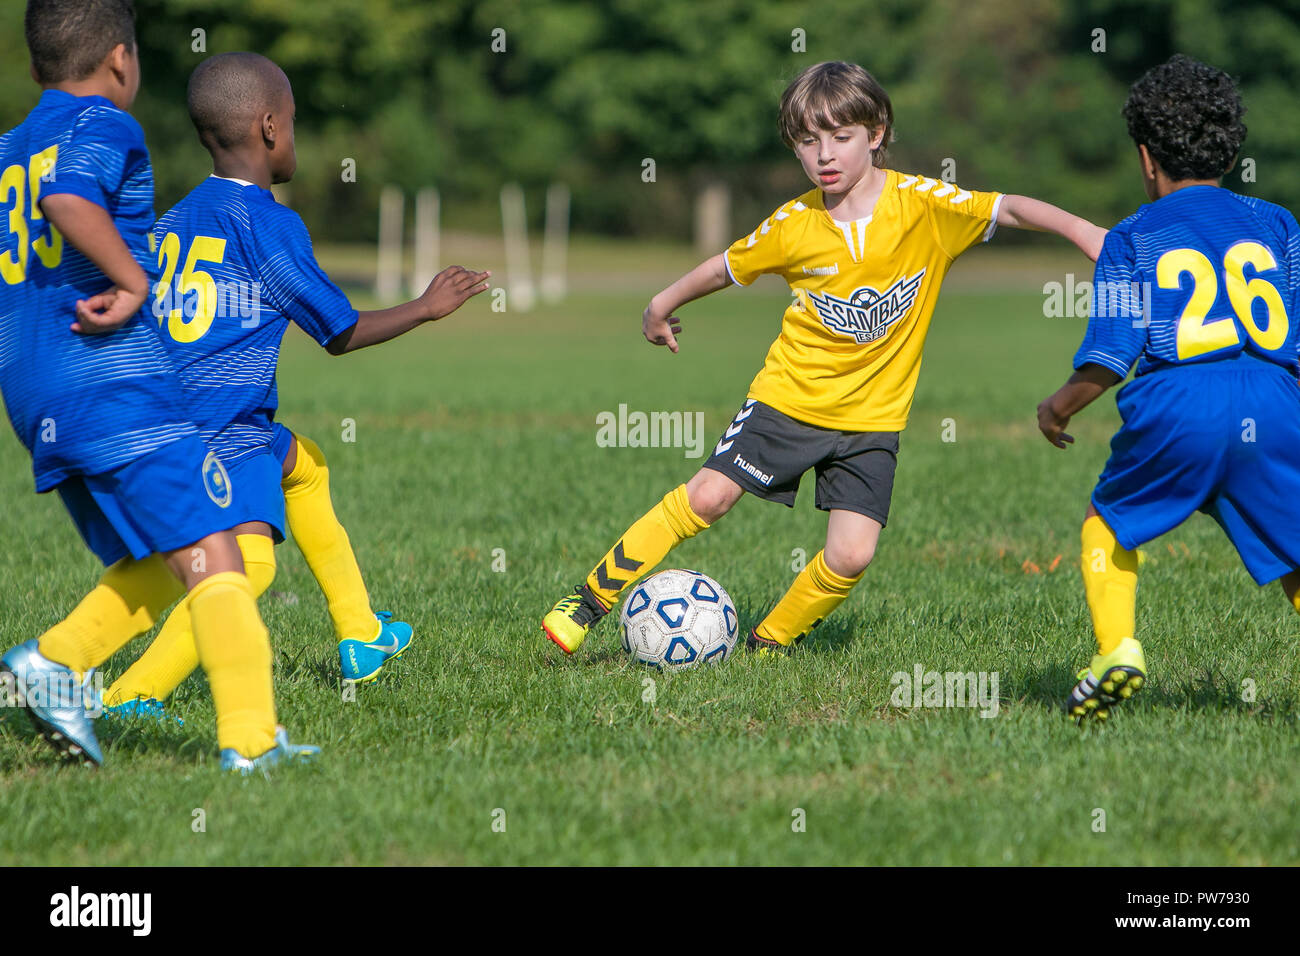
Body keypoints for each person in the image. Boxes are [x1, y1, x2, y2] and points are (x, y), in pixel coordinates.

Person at [543, 60, 1106, 655]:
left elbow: (1010, 208)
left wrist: (1086, 231)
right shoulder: (795, 223)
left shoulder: (925, 206)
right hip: (789, 399)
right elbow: (726, 267)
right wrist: (660, 304)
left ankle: (770, 643)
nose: (825, 156)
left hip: (873, 420)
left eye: (841, 137)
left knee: (852, 553)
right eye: (808, 142)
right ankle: (587, 602)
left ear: (877, 132)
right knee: (709, 496)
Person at [102, 51, 489, 713]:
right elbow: (338, 332)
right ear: (271, 128)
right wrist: (425, 307)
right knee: (247, 567)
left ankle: (360, 632)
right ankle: (131, 695)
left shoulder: (178, 216)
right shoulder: (268, 224)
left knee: (305, 466)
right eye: (298, 124)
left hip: (165, 416)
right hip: (225, 428)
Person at [0, 0, 314, 772]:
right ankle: (250, 744)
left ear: (38, 65)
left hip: (35, 389)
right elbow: (68, 199)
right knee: (220, 551)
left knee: (163, 554)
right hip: (114, 379)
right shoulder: (105, 125)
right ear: (120, 61)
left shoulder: (9, 146)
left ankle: (56, 663)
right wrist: (133, 279)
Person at [1037, 54, 1300, 722]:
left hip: (1180, 403)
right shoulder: (1278, 225)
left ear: (1147, 157)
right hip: (1273, 400)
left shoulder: (1133, 236)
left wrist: (1057, 405)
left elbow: (1113, 350)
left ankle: (1117, 651)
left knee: (1107, 525)